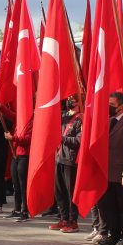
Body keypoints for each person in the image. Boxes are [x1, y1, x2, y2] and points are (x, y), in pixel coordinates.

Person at [96, 92, 123, 245]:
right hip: (107, 172)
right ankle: (113, 235)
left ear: (122, 106)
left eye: (112, 105)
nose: (109, 107)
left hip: (121, 174)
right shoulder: (107, 122)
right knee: (110, 206)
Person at [50, 97, 83, 233]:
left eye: (73, 99)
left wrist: (62, 139)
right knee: (59, 191)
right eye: (69, 99)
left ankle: (72, 221)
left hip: (71, 159)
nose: (70, 101)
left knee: (70, 193)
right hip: (59, 157)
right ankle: (63, 218)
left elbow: (79, 140)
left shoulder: (81, 118)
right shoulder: (63, 116)